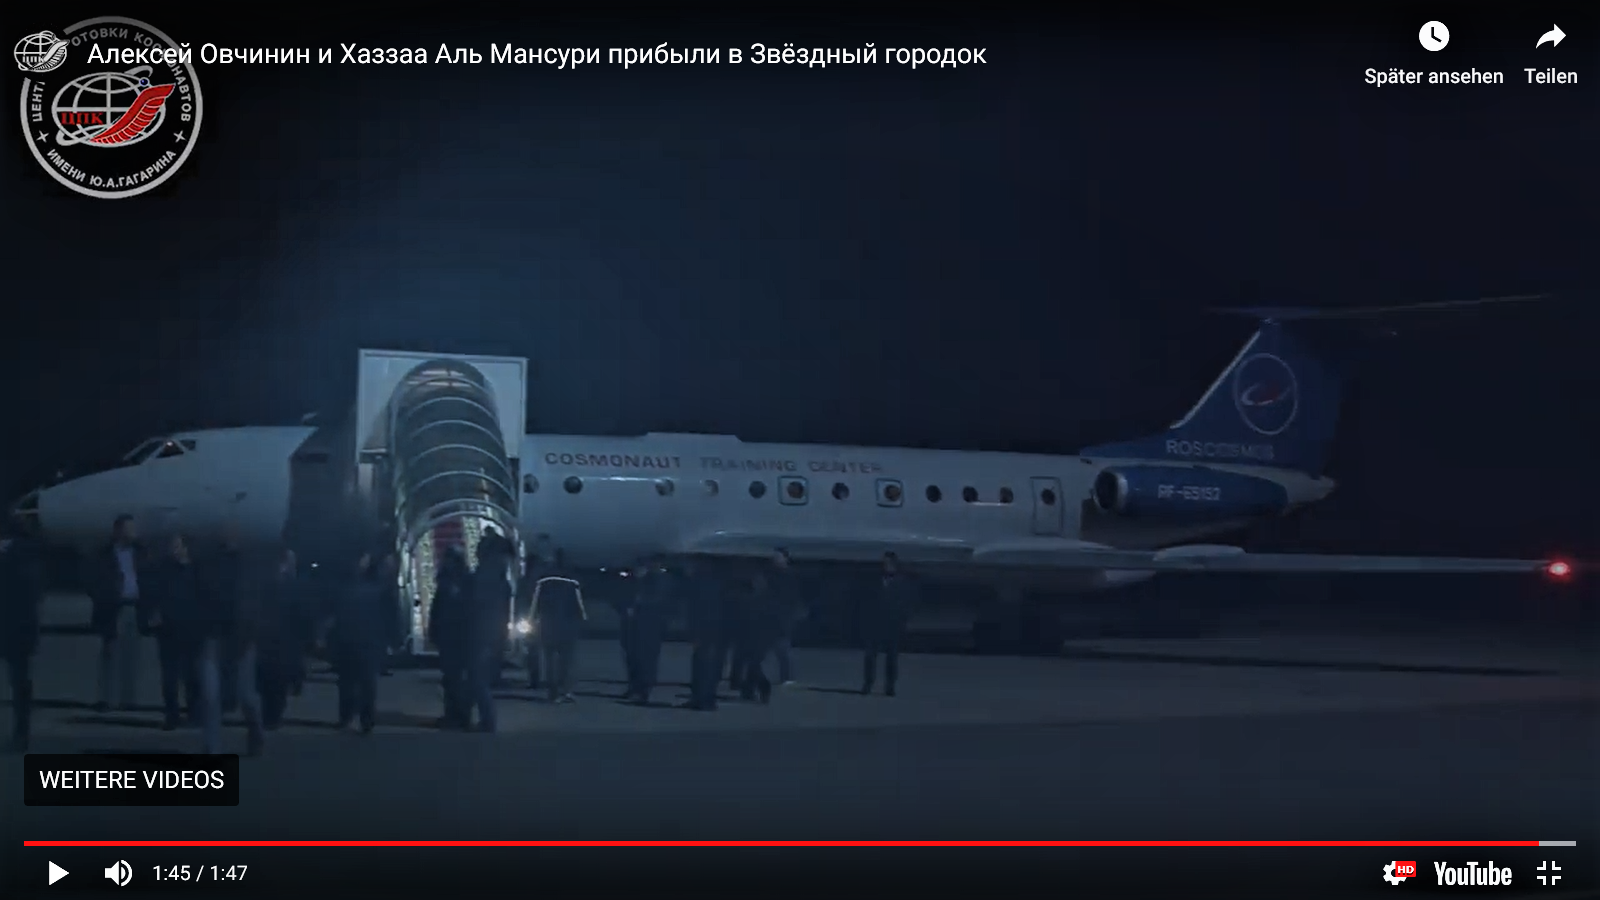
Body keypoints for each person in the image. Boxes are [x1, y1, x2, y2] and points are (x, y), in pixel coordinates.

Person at [88, 514, 151, 712]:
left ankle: (128, 700)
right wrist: (106, 596)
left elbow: (149, 577)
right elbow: (94, 581)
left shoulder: (141, 552)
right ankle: (106, 699)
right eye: (129, 529)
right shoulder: (104, 554)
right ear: (118, 531)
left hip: (135, 607)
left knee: (131, 656)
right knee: (110, 654)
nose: (133, 533)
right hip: (114, 608)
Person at [331, 551, 389, 734]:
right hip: (369, 640)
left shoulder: (344, 588)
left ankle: (347, 716)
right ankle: (366, 718)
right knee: (367, 682)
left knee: (348, 681)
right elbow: (388, 616)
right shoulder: (379, 589)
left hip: (349, 639)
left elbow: (335, 615)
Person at [1, 513, 45, 752]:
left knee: (20, 681)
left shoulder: (16, 553)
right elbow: (35, 592)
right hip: (20, 625)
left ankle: (21, 732)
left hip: (13, 623)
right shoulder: (31, 553)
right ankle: (21, 732)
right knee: (20, 681)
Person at [150, 534, 202, 732]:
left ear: (186, 548)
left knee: (192, 675)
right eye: (171, 546)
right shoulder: (164, 570)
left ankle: (194, 714)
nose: (173, 550)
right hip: (168, 629)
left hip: (191, 630)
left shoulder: (196, 571)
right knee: (169, 676)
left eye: (177, 546)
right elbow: (155, 594)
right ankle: (172, 715)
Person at [256, 547, 305, 731]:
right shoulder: (292, 585)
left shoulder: (271, 583)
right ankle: (272, 715)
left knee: (272, 679)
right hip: (280, 638)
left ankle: (270, 715)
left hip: (275, 637)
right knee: (275, 679)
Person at [533, 549, 585, 704]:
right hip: (568, 625)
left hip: (548, 624)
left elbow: (536, 601)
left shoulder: (544, 580)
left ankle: (553, 692)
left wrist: (534, 618)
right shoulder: (573, 581)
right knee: (567, 660)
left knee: (549, 659)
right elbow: (579, 604)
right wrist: (581, 619)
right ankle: (566, 690)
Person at [429, 544, 472, 729]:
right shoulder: (465, 581)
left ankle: (456, 715)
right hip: (458, 635)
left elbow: (437, 610)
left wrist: (434, 631)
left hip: (453, 635)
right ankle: (458, 714)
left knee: (453, 678)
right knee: (454, 678)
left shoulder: (450, 582)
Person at [862, 552, 917, 696]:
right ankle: (868, 683)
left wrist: (903, 621)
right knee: (870, 655)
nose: (885, 566)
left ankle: (890, 685)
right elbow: (867, 600)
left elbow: (907, 602)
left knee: (892, 657)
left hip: (893, 624)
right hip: (875, 624)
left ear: (894, 565)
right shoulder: (874, 580)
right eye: (883, 564)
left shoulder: (902, 582)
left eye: (887, 564)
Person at [626, 561, 674, 704]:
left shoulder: (658, 580)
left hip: (651, 623)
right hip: (644, 623)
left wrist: (639, 601)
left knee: (646, 656)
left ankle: (643, 689)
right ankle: (637, 687)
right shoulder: (650, 579)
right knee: (637, 655)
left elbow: (658, 600)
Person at [682, 558, 725, 711]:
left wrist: (695, 633)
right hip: (714, 629)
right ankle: (705, 698)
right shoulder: (715, 583)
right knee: (709, 665)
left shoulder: (700, 584)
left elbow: (697, 610)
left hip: (705, 630)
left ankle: (702, 698)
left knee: (703, 665)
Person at [767, 549, 804, 685]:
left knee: (783, 647)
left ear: (785, 558)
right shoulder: (772, 575)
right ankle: (785, 675)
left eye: (778, 557)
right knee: (780, 648)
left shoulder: (789, 576)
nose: (775, 559)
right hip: (774, 614)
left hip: (784, 616)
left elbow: (793, 597)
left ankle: (787, 676)